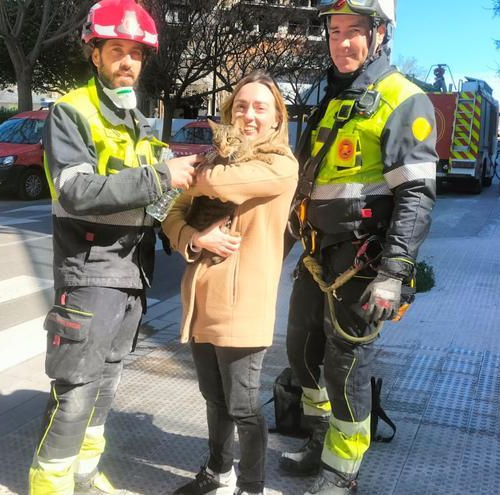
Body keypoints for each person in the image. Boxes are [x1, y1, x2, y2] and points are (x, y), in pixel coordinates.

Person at [28, 1, 199, 493]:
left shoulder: (139, 121)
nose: (128, 62)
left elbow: (158, 199)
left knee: (106, 382)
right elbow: (76, 191)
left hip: (131, 271)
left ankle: (84, 475)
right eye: (117, 51)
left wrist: (191, 198)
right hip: (89, 270)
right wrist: (161, 175)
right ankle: (51, 484)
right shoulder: (71, 111)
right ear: (95, 54)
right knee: (77, 387)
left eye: (136, 54)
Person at [282, 0, 437, 493]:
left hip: (363, 261)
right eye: (334, 32)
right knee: (301, 350)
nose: (342, 42)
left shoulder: (401, 98)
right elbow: (306, 183)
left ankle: (341, 470)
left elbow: (416, 195)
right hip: (315, 252)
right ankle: (319, 435)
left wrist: (393, 273)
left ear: (378, 36)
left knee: (346, 364)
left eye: (354, 31)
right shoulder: (334, 95)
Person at [162, 71, 298, 495]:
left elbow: (219, 183)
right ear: (228, 113)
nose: (249, 115)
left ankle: (251, 486)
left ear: (277, 119)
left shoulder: (280, 166)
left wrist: (182, 171)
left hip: (244, 306)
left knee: (243, 405)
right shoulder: (216, 157)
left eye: (260, 107)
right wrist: (193, 237)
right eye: (240, 106)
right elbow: (170, 211)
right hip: (201, 302)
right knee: (215, 399)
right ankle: (218, 472)